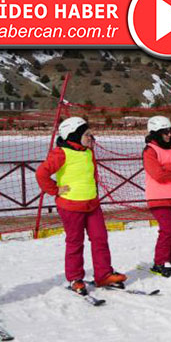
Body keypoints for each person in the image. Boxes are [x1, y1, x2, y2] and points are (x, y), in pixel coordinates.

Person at [36, 117, 127, 294]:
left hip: (92, 204)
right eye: (87, 134)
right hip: (70, 206)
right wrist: (54, 189)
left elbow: (91, 175)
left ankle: (103, 274)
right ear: (74, 135)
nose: (91, 138)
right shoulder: (61, 153)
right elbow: (41, 173)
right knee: (75, 242)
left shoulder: (87, 151)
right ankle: (75, 278)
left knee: (100, 239)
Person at [142, 116, 171, 277]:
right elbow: (158, 174)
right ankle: (160, 261)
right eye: (164, 132)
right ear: (155, 133)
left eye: (169, 131)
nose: (169, 135)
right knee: (167, 230)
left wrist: (167, 167)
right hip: (158, 198)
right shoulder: (150, 150)